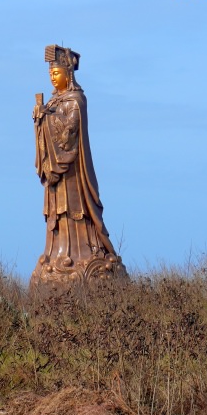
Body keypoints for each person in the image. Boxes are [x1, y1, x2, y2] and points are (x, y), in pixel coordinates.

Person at [30, 45, 128, 286]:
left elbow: (69, 132)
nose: (53, 77)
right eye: (50, 73)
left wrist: (48, 118)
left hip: (74, 173)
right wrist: (39, 119)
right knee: (57, 214)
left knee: (75, 212)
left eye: (57, 72)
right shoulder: (54, 101)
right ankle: (59, 254)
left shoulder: (76, 100)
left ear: (68, 73)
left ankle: (83, 252)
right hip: (57, 176)